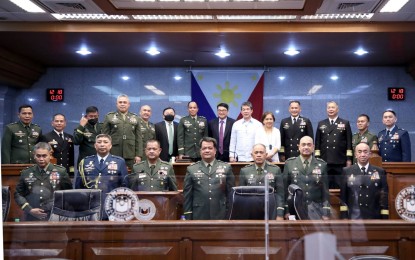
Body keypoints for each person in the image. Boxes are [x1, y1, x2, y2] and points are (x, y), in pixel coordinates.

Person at [74, 134, 128, 219]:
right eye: (99, 142)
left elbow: (125, 186)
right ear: (95, 146)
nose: (102, 144)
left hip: (112, 206)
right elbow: (78, 187)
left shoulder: (119, 162)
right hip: (89, 207)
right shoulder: (85, 162)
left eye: (105, 142)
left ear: (110, 146)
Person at [14, 142, 72, 221]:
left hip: (54, 216)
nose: (41, 159)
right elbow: (18, 193)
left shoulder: (60, 171)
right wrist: (29, 209)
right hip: (31, 216)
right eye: (38, 156)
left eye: (44, 156)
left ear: (50, 155)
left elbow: (68, 194)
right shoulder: (26, 172)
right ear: (34, 155)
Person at [183, 137, 235, 220]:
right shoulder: (191, 169)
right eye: (204, 148)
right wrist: (188, 215)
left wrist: (230, 212)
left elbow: (230, 193)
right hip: (199, 213)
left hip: (221, 213)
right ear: (200, 151)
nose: (207, 151)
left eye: (210, 148)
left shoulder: (226, 168)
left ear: (215, 151)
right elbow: (188, 195)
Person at [283, 136, 330, 220]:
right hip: (295, 209)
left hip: (316, 209)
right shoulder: (289, 164)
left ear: (313, 147)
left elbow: (325, 191)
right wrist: (287, 210)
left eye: (309, 145)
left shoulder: (322, 165)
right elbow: (285, 190)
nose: (306, 147)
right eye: (303, 145)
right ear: (299, 147)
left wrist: (325, 212)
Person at [340, 143, 389, 219]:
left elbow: (384, 198)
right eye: (359, 152)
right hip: (354, 217)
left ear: (369, 154)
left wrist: (384, 217)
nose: (362, 155)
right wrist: (344, 217)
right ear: (355, 154)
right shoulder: (347, 171)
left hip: (374, 217)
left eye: (365, 152)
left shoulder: (380, 172)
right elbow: (343, 198)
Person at [239, 143, 284, 220]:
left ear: (266, 154)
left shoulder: (275, 170)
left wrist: (280, 213)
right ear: (252, 155)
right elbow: (241, 195)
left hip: (270, 209)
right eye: (256, 153)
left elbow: (280, 194)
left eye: (261, 152)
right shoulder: (245, 171)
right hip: (251, 210)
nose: (259, 155)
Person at [315, 101, 353, 189]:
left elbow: (349, 142)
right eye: (329, 107)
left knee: (341, 186)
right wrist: (317, 159)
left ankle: (341, 203)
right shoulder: (321, 123)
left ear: (337, 109)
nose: (330, 109)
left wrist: (349, 159)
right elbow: (317, 143)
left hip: (340, 160)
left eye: (333, 107)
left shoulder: (345, 123)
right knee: (325, 186)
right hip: (325, 160)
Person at [102, 94, 142, 169]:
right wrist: (105, 153)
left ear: (129, 104)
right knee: (113, 177)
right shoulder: (109, 117)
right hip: (114, 153)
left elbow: (139, 138)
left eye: (124, 102)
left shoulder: (135, 118)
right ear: (117, 104)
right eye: (120, 102)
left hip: (130, 154)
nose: (122, 104)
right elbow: (104, 137)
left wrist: (138, 155)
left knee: (130, 177)